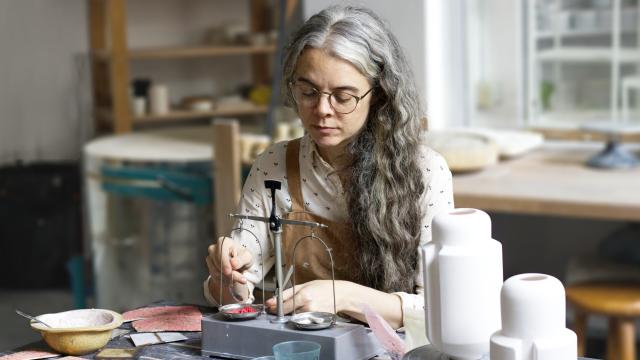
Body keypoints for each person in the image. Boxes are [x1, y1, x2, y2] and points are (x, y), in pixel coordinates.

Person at [204, 5, 453, 330]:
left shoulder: (425, 171)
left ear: (377, 95)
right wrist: (226, 278)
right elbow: (234, 296)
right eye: (307, 91)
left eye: (343, 96)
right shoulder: (274, 166)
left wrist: (344, 297)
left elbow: (443, 307)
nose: (322, 109)